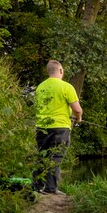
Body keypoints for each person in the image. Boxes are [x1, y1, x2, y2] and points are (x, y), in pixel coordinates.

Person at [32, 60, 82, 194]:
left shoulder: (40, 87)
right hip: (60, 128)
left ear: (48, 72)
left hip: (41, 127)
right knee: (56, 157)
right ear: (61, 71)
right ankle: (51, 188)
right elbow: (77, 109)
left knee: (42, 156)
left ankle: (37, 186)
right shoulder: (66, 87)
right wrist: (79, 118)